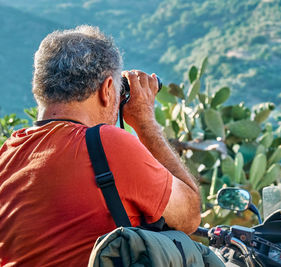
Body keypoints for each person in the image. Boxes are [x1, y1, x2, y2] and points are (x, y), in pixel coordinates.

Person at [0, 25, 201, 266]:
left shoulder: (8, 153)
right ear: (107, 90)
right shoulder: (109, 145)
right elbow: (189, 216)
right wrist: (146, 122)